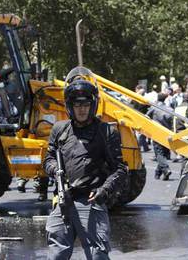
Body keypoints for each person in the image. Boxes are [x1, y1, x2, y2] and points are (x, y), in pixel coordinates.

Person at [44, 77, 128, 259]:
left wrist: (103, 191)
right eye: (76, 104)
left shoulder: (106, 132)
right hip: (63, 199)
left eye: (85, 104)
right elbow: (49, 159)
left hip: (91, 201)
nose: (81, 109)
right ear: (69, 106)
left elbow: (120, 169)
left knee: (97, 255)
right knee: (56, 253)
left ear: (93, 105)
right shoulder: (59, 130)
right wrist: (55, 171)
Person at [147, 93, 173, 180]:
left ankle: (165, 169)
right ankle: (158, 173)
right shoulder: (170, 109)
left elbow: (146, 117)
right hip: (167, 133)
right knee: (164, 153)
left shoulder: (154, 108)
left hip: (157, 133)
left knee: (159, 153)